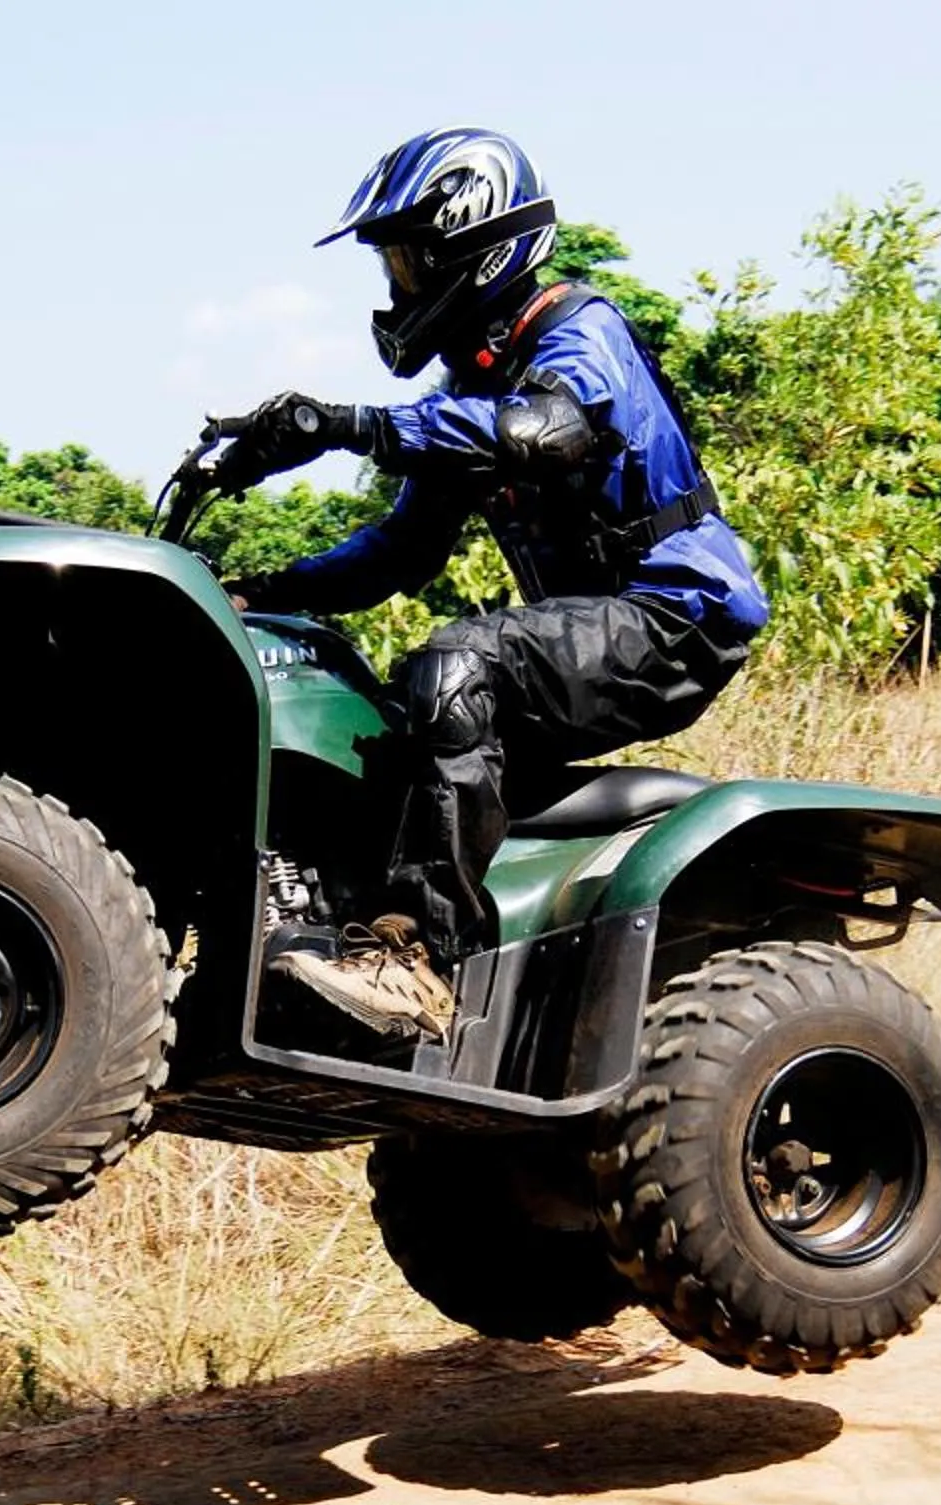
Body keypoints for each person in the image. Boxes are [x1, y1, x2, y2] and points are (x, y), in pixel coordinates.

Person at [216, 127, 768, 1044]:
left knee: (457, 663)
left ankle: (414, 962)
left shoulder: (577, 330)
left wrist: (349, 425)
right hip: (596, 624)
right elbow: (399, 553)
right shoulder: (473, 381)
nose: (396, 286)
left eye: (406, 261)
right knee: (382, 710)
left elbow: (542, 431)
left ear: (472, 251)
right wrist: (259, 591)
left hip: (677, 616)